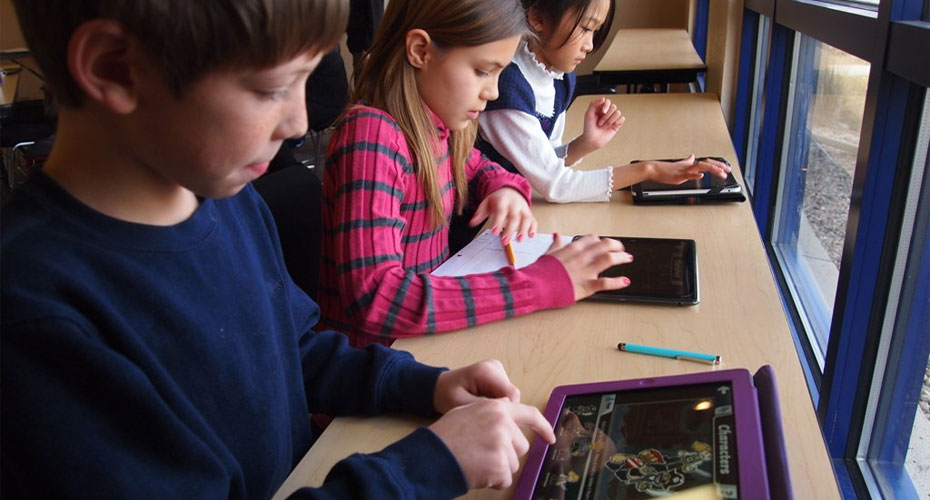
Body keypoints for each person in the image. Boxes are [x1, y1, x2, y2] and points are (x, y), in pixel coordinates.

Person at [1, 1, 559, 498]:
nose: (298, 123)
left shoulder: (227, 200)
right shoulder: (37, 313)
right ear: (113, 68)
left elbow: (292, 349)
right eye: (272, 88)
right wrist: (429, 466)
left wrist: (422, 384)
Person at [318, 0, 633, 347]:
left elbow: (480, 166)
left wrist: (504, 188)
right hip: (376, 363)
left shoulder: (436, 126)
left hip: (424, 342)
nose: (495, 92)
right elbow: (376, 299)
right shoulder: (372, 136)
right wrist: (538, 283)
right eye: (483, 71)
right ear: (420, 50)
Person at [475, 0, 731, 203]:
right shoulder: (507, 88)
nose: (590, 45)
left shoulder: (558, 78)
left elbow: (546, 164)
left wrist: (583, 145)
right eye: (586, 28)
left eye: (596, 31)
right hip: (484, 226)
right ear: (537, 17)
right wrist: (647, 171)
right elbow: (556, 185)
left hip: (520, 208)